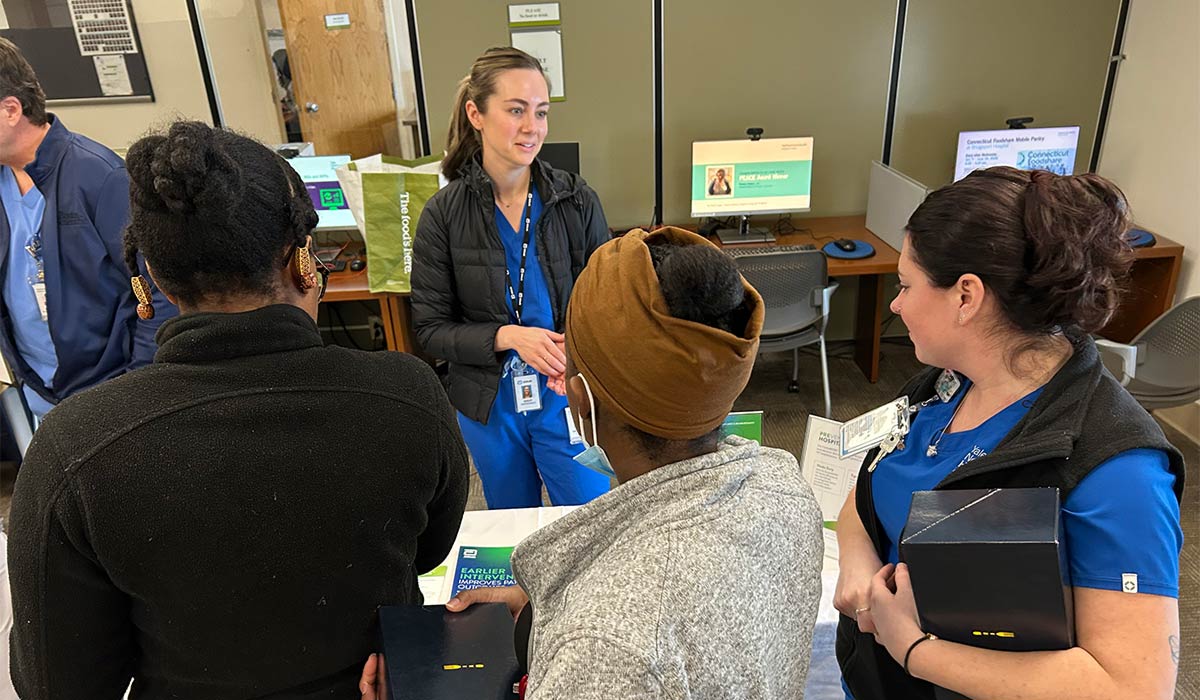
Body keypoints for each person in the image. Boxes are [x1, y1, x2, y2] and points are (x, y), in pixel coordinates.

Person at [7, 121, 471, 699]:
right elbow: (428, 547)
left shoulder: (75, 447)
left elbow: (56, 682)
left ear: (151, 276)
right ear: (302, 257)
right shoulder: (409, 396)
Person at [363, 227, 825, 698]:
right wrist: (552, 606)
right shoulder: (788, 489)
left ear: (579, 398)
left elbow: (629, 644)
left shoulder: (606, 648)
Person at [834, 167, 1184, 700]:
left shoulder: (1116, 468)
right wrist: (858, 564)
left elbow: (1133, 687)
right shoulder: (943, 386)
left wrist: (915, 650)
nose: (895, 304)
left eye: (905, 286)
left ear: (966, 296)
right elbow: (870, 491)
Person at [411, 47, 611, 509]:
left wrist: (582, 358)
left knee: (589, 522)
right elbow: (431, 330)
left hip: (567, 393)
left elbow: (607, 305)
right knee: (512, 528)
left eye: (541, 113)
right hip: (489, 403)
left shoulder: (576, 200)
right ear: (475, 114)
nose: (532, 127)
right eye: (516, 110)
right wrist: (508, 336)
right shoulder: (442, 216)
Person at [0, 37, 175, 426]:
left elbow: (160, 287)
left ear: (11, 110)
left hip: (114, 397)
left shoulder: (98, 175)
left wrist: (139, 386)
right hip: (42, 392)